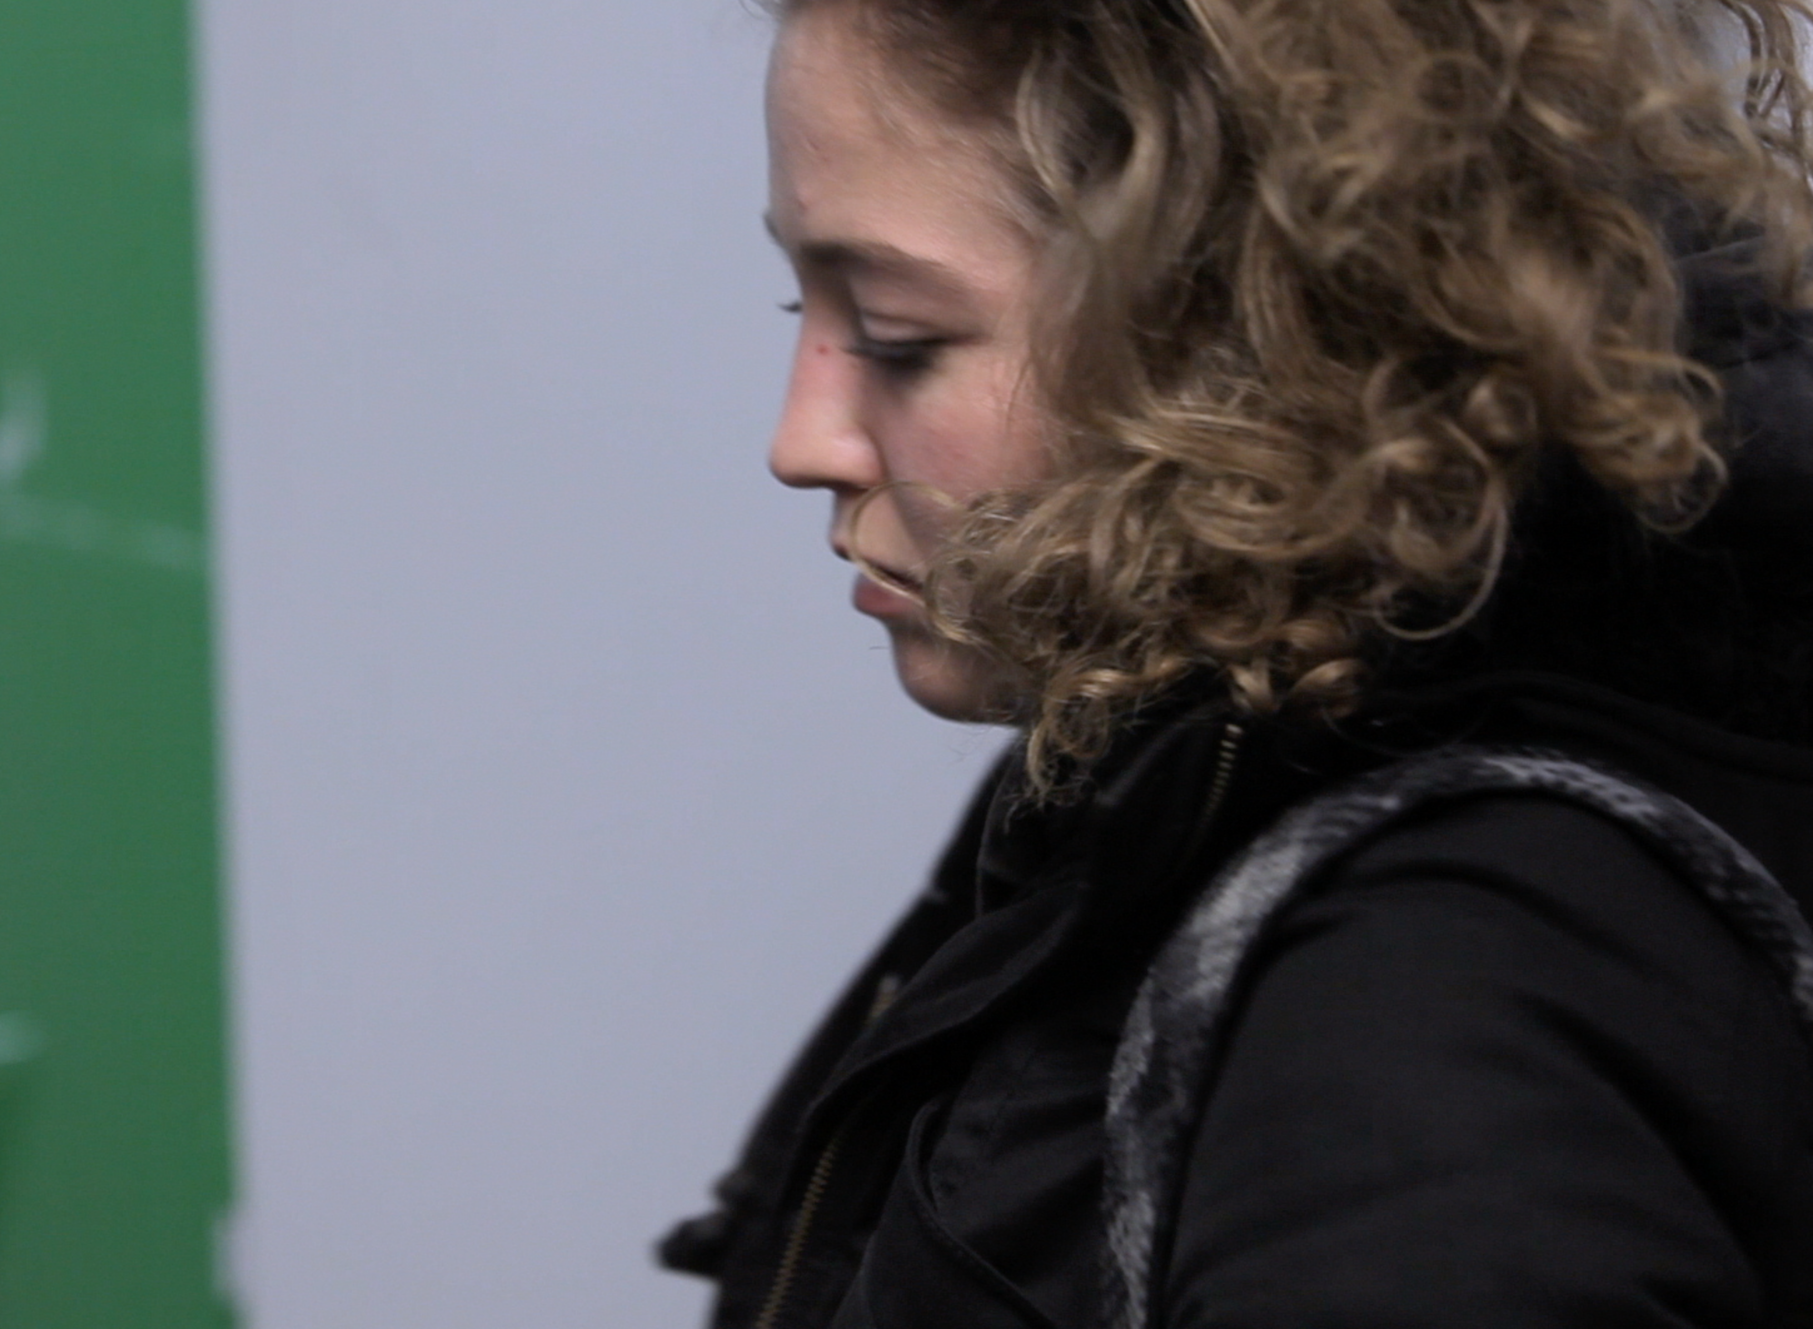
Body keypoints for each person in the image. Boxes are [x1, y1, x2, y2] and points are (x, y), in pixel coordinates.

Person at [659, 1, 1813, 1326]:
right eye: (799, 302)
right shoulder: (1176, 773)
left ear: (1258, 321)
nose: (801, 440)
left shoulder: (1423, 993)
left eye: (893, 332)